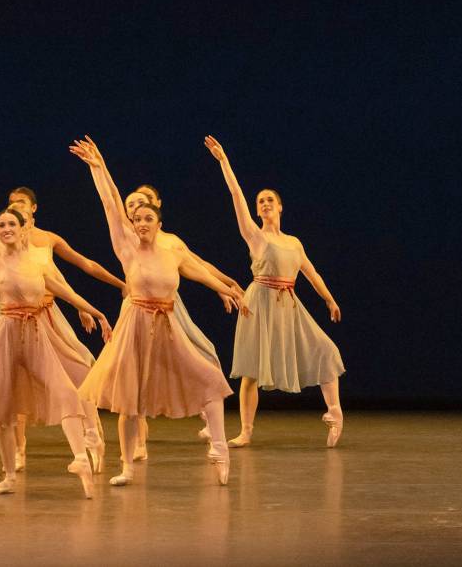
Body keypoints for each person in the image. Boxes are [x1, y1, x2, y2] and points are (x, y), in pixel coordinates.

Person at [0, 157, 108, 499]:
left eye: (11, 224)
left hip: (38, 333)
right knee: (1, 408)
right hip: (6, 337)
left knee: (67, 392)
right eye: (2, 225)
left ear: (25, 227)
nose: (5, 228)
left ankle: (80, 458)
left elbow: (65, 292)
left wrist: (96, 312)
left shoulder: (40, 259)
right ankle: (9, 475)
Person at [69, 138, 241, 487]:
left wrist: (227, 289)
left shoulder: (171, 249)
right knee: (129, 399)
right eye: (137, 219)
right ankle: (128, 466)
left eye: (148, 218)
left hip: (167, 324)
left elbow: (199, 271)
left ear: (158, 223)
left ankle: (220, 449)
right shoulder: (127, 249)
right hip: (135, 324)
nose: (141, 223)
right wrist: (98, 167)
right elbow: (110, 203)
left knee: (208, 378)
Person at [204, 136, 346, 447]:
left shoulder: (294, 242)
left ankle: (334, 412)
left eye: (270, 200)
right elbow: (236, 196)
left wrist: (330, 299)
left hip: (288, 304)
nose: (265, 204)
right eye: (261, 202)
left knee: (326, 351)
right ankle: (245, 431)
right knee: (251, 370)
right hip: (259, 302)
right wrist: (224, 161)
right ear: (257, 212)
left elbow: (311, 273)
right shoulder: (255, 237)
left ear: (280, 206)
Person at [122, 184, 248, 461]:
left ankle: (206, 413)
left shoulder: (170, 242)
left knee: (201, 354)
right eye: (131, 206)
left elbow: (197, 266)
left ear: (156, 208)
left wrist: (224, 285)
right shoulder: (128, 240)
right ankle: (137, 445)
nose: (136, 210)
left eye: (143, 205)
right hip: (137, 310)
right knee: (135, 376)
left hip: (168, 306)